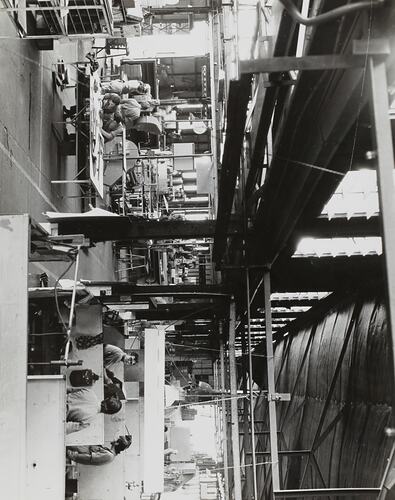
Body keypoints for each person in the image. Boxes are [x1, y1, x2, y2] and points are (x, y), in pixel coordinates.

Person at [67, 435, 132, 465]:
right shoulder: (108, 452)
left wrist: (71, 455)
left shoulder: (109, 456)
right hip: (71, 447)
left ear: (117, 443)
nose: (114, 439)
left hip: (70, 451)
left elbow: (87, 458)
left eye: (117, 439)